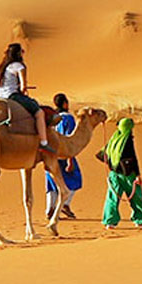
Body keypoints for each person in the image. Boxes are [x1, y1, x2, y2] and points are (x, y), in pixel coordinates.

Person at [0, 43, 52, 151]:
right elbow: (23, 86)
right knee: (39, 112)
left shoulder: (1, 68)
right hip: (12, 96)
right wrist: (23, 89)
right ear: (19, 53)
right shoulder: (19, 66)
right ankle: (43, 142)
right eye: (22, 52)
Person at [97, 117, 142, 228]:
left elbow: (102, 154)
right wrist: (138, 175)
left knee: (112, 198)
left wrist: (112, 165)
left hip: (114, 174)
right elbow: (133, 158)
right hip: (128, 175)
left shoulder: (114, 138)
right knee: (136, 197)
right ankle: (141, 219)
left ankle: (110, 221)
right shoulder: (127, 140)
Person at [44, 92, 82, 220]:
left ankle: (50, 208)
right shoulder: (68, 118)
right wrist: (70, 160)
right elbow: (69, 139)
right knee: (75, 179)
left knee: (52, 182)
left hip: (50, 153)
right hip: (64, 154)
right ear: (65, 104)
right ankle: (65, 204)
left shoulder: (52, 118)